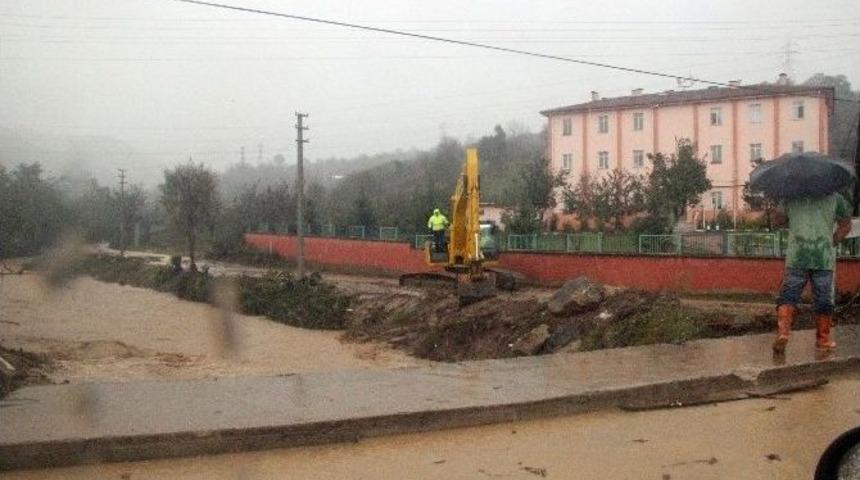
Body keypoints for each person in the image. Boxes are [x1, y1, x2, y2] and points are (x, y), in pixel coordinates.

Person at [773, 192, 852, 354]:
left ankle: (783, 334)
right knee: (823, 299)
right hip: (822, 256)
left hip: (797, 255)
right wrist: (833, 240)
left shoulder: (790, 195)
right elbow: (846, 225)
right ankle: (823, 340)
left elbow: (778, 221)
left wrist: (783, 214)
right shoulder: (835, 197)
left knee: (788, 296)